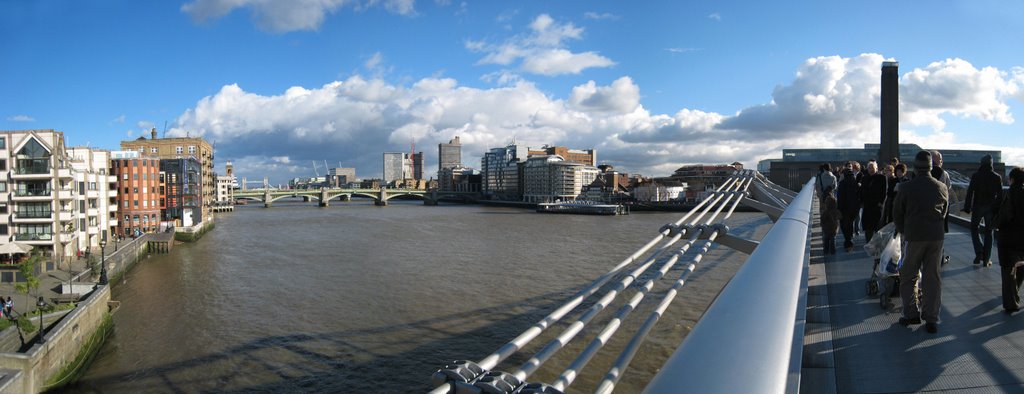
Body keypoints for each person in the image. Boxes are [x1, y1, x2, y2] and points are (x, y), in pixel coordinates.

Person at [893, 151, 949, 333]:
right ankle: (932, 318)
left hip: (914, 236)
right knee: (933, 277)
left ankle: (911, 314)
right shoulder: (941, 187)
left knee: (908, 275)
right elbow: (944, 211)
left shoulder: (906, 188)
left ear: (915, 169)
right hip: (936, 236)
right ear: (931, 168)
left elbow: (897, 213)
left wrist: (903, 230)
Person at [964, 154, 1003, 266]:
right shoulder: (997, 177)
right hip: (990, 207)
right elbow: (1000, 195)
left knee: (974, 228)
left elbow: (970, 192)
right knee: (989, 231)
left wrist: (967, 206)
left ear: (981, 163)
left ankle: (979, 252)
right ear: (991, 164)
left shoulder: (976, 176)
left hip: (978, 206)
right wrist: (996, 208)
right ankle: (987, 259)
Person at [996, 167, 1024, 313]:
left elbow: (1004, 216)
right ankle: (1015, 295)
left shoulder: (1008, 193)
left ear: (1012, 179)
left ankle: (1011, 303)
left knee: (1008, 270)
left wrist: (997, 225)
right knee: (1021, 268)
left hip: (1008, 237)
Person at [861, 160, 887, 242]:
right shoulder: (864, 178)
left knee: (877, 226)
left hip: (877, 206)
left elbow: (884, 191)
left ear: (876, 168)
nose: (871, 169)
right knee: (868, 227)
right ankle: (869, 243)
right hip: (867, 206)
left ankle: (878, 243)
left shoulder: (882, 178)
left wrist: (881, 203)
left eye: (872, 168)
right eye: (869, 168)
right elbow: (862, 191)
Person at [837, 168, 861, 252]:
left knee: (844, 226)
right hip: (854, 209)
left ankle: (848, 242)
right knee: (850, 224)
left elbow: (840, 198)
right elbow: (859, 197)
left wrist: (839, 209)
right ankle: (849, 241)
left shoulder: (842, 184)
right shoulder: (856, 184)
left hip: (844, 209)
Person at [821, 184, 840, 255]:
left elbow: (822, 219)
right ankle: (833, 251)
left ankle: (826, 250)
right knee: (833, 240)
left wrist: (822, 224)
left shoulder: (826, 212)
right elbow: (840, 216)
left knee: (826, 239)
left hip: (826, 228)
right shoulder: (836, 211)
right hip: (834, 227)